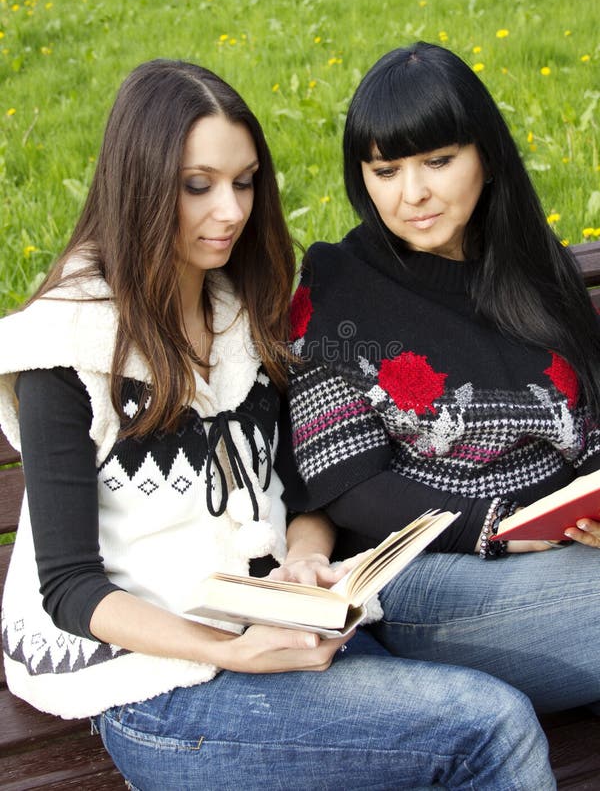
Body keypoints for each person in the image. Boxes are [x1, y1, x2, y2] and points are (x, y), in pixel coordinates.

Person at [0, 59, 556, 790]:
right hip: (157, 687)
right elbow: (71, 590)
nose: (230, 210)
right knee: (492, 728)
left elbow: (296, 491)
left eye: (244, 180)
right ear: (136, 184)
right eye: (197, 186)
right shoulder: (67, 345)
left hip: (286, 630)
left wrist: (302, 557)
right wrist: (230, 652)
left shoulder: (244, 315)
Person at [287, 41, 600, 716]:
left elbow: (592, 416)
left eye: (438, 161)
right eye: (385, 169)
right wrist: (499, 525)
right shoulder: (340, 289)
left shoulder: (531, 269)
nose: (413, 194)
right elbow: (348, 487)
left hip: (569, 561)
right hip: (423, 579)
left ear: (486, 155)